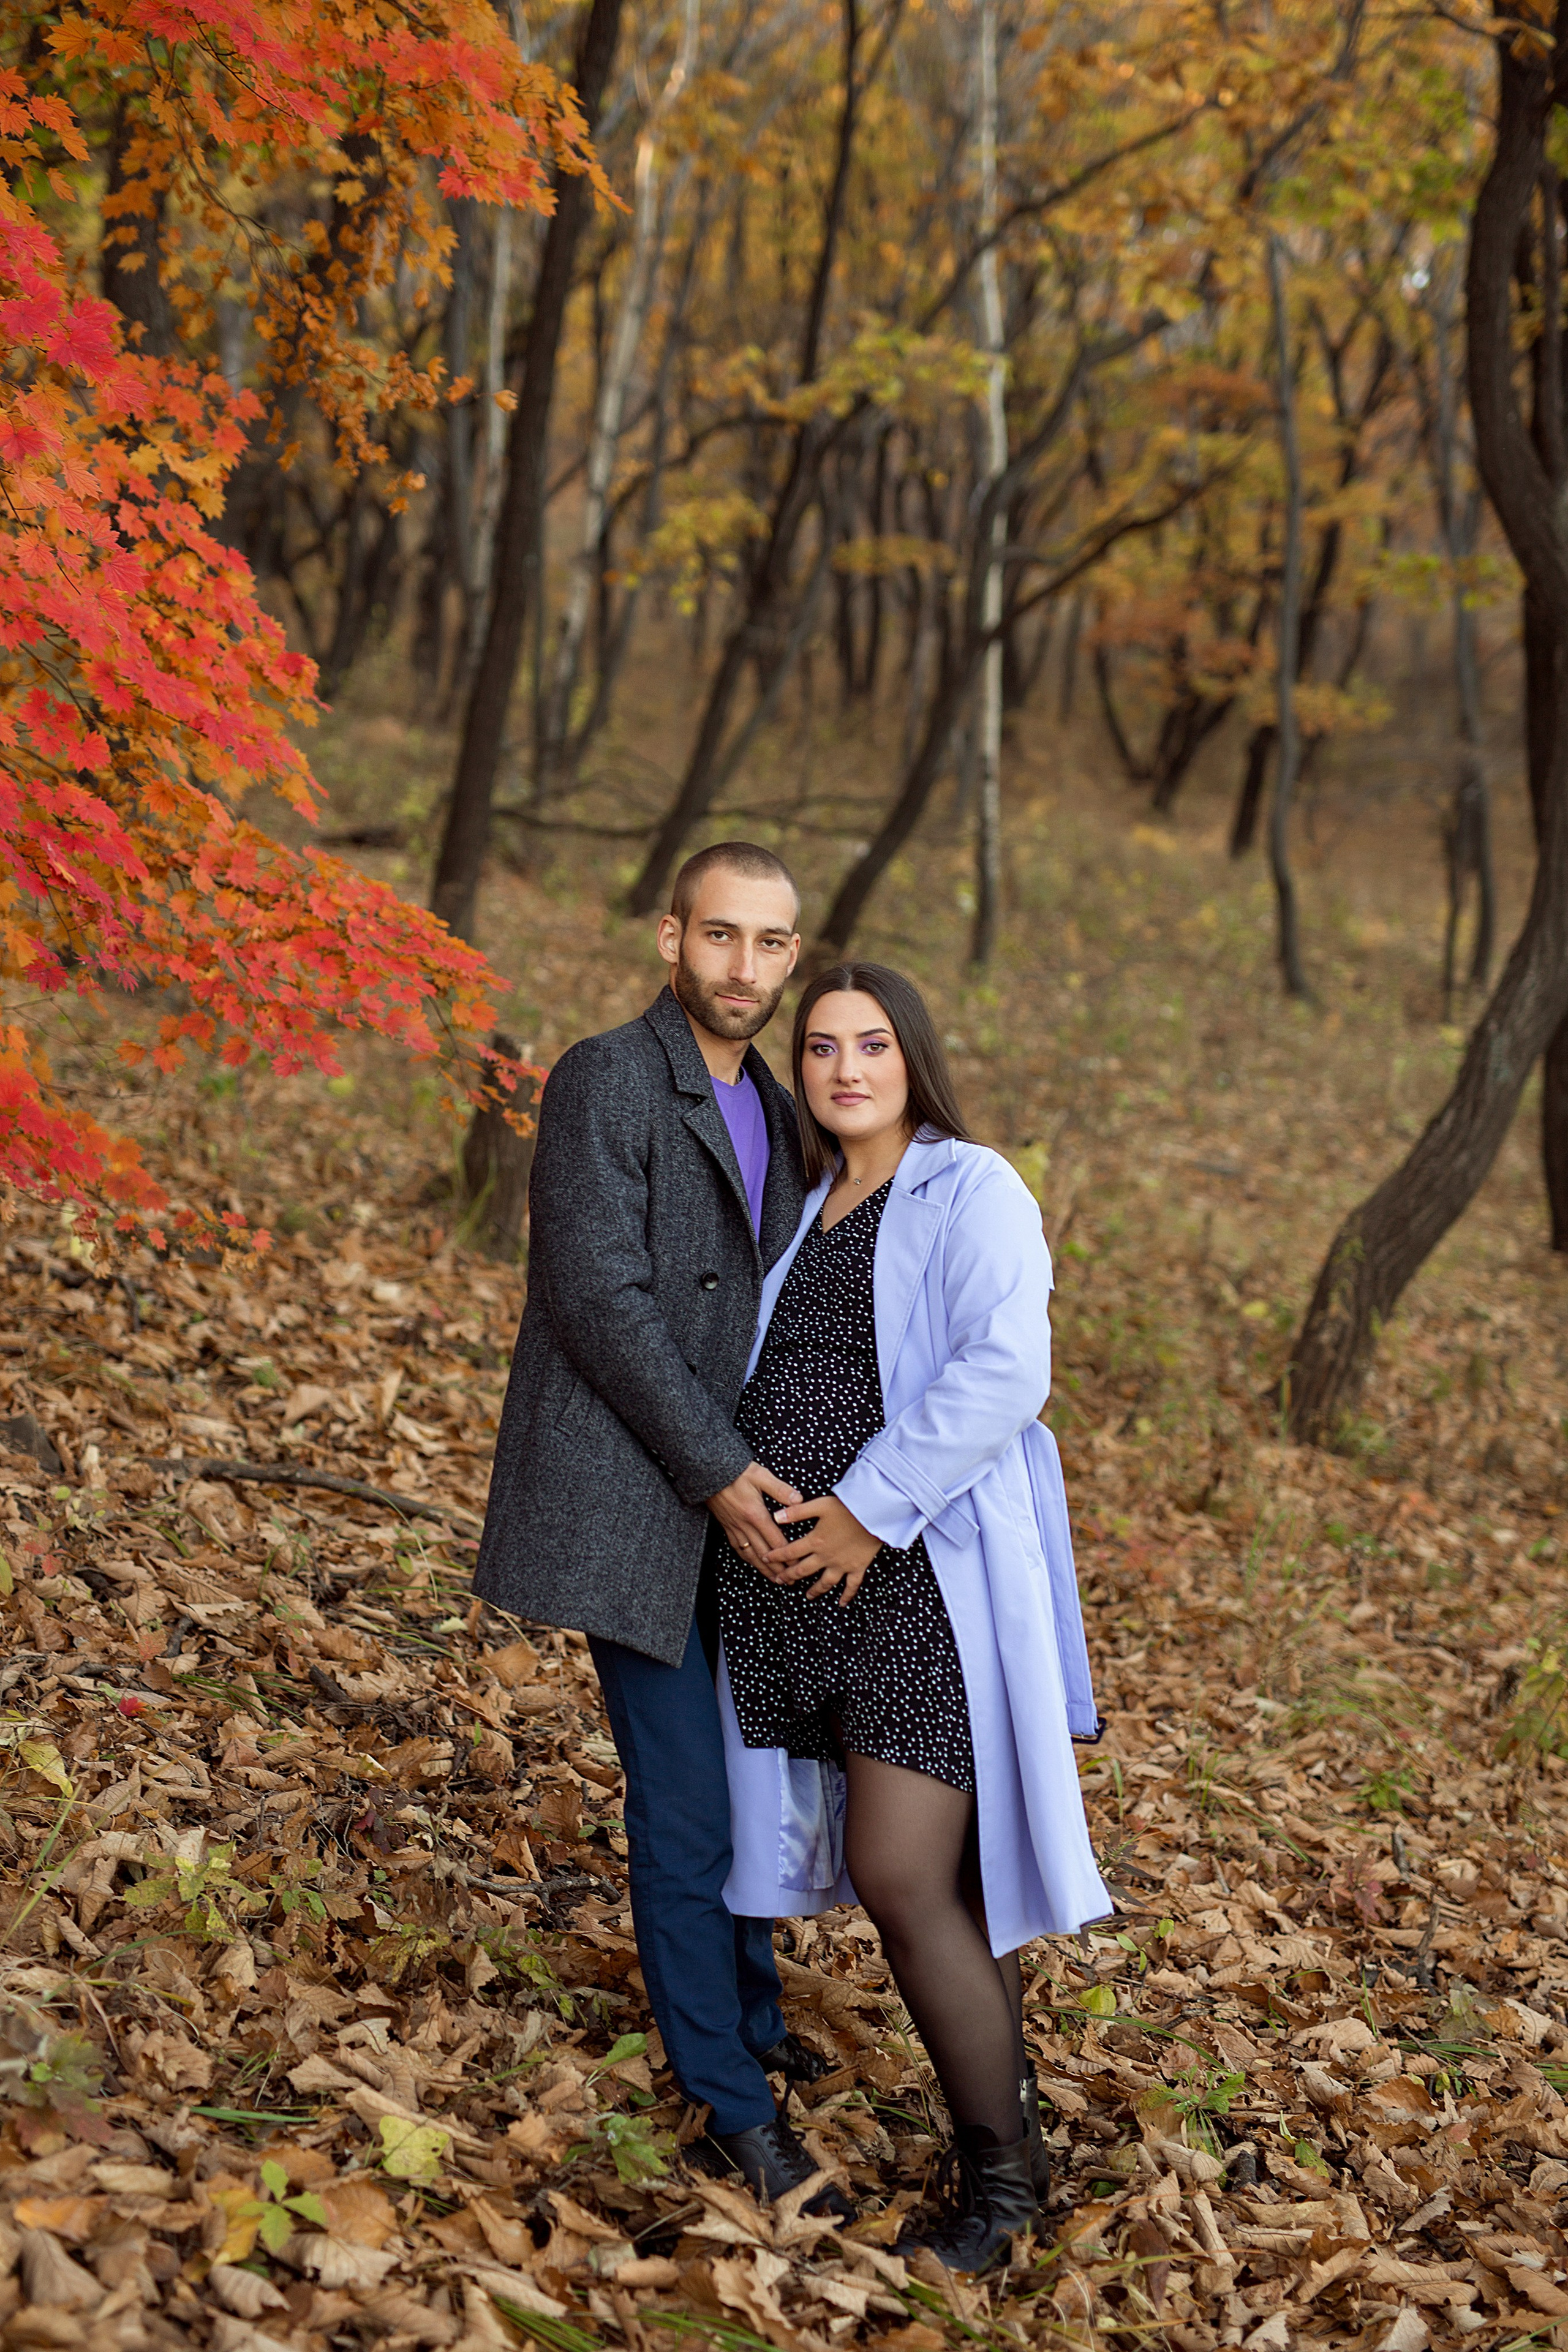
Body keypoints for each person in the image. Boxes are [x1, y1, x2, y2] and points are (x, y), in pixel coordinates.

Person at [712, 962, 1110, 2272]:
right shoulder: (805, 1202)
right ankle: (1012, 2151)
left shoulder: (971, 1185)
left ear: (909, 1056)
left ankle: (1000, 2199)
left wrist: (867, 1510)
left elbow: (1007, 1366)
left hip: (914, 1575)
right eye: (820, 1048)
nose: (843, 1070)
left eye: (870, 1045)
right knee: (933, 1882)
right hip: (799, 1593)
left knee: (897, 1871)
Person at [472, 842, 848, 2216]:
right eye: (721, 937)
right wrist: (715, 1471)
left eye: (771, 944)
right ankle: (729, 2104)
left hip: (754, 1506)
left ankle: (748, 2025)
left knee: (751, 1795)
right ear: (667, 937)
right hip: (649, 1497)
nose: (744, 968)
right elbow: (598, 1297)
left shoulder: (794, 1102)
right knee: (686, 1804)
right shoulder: (607, 1077)